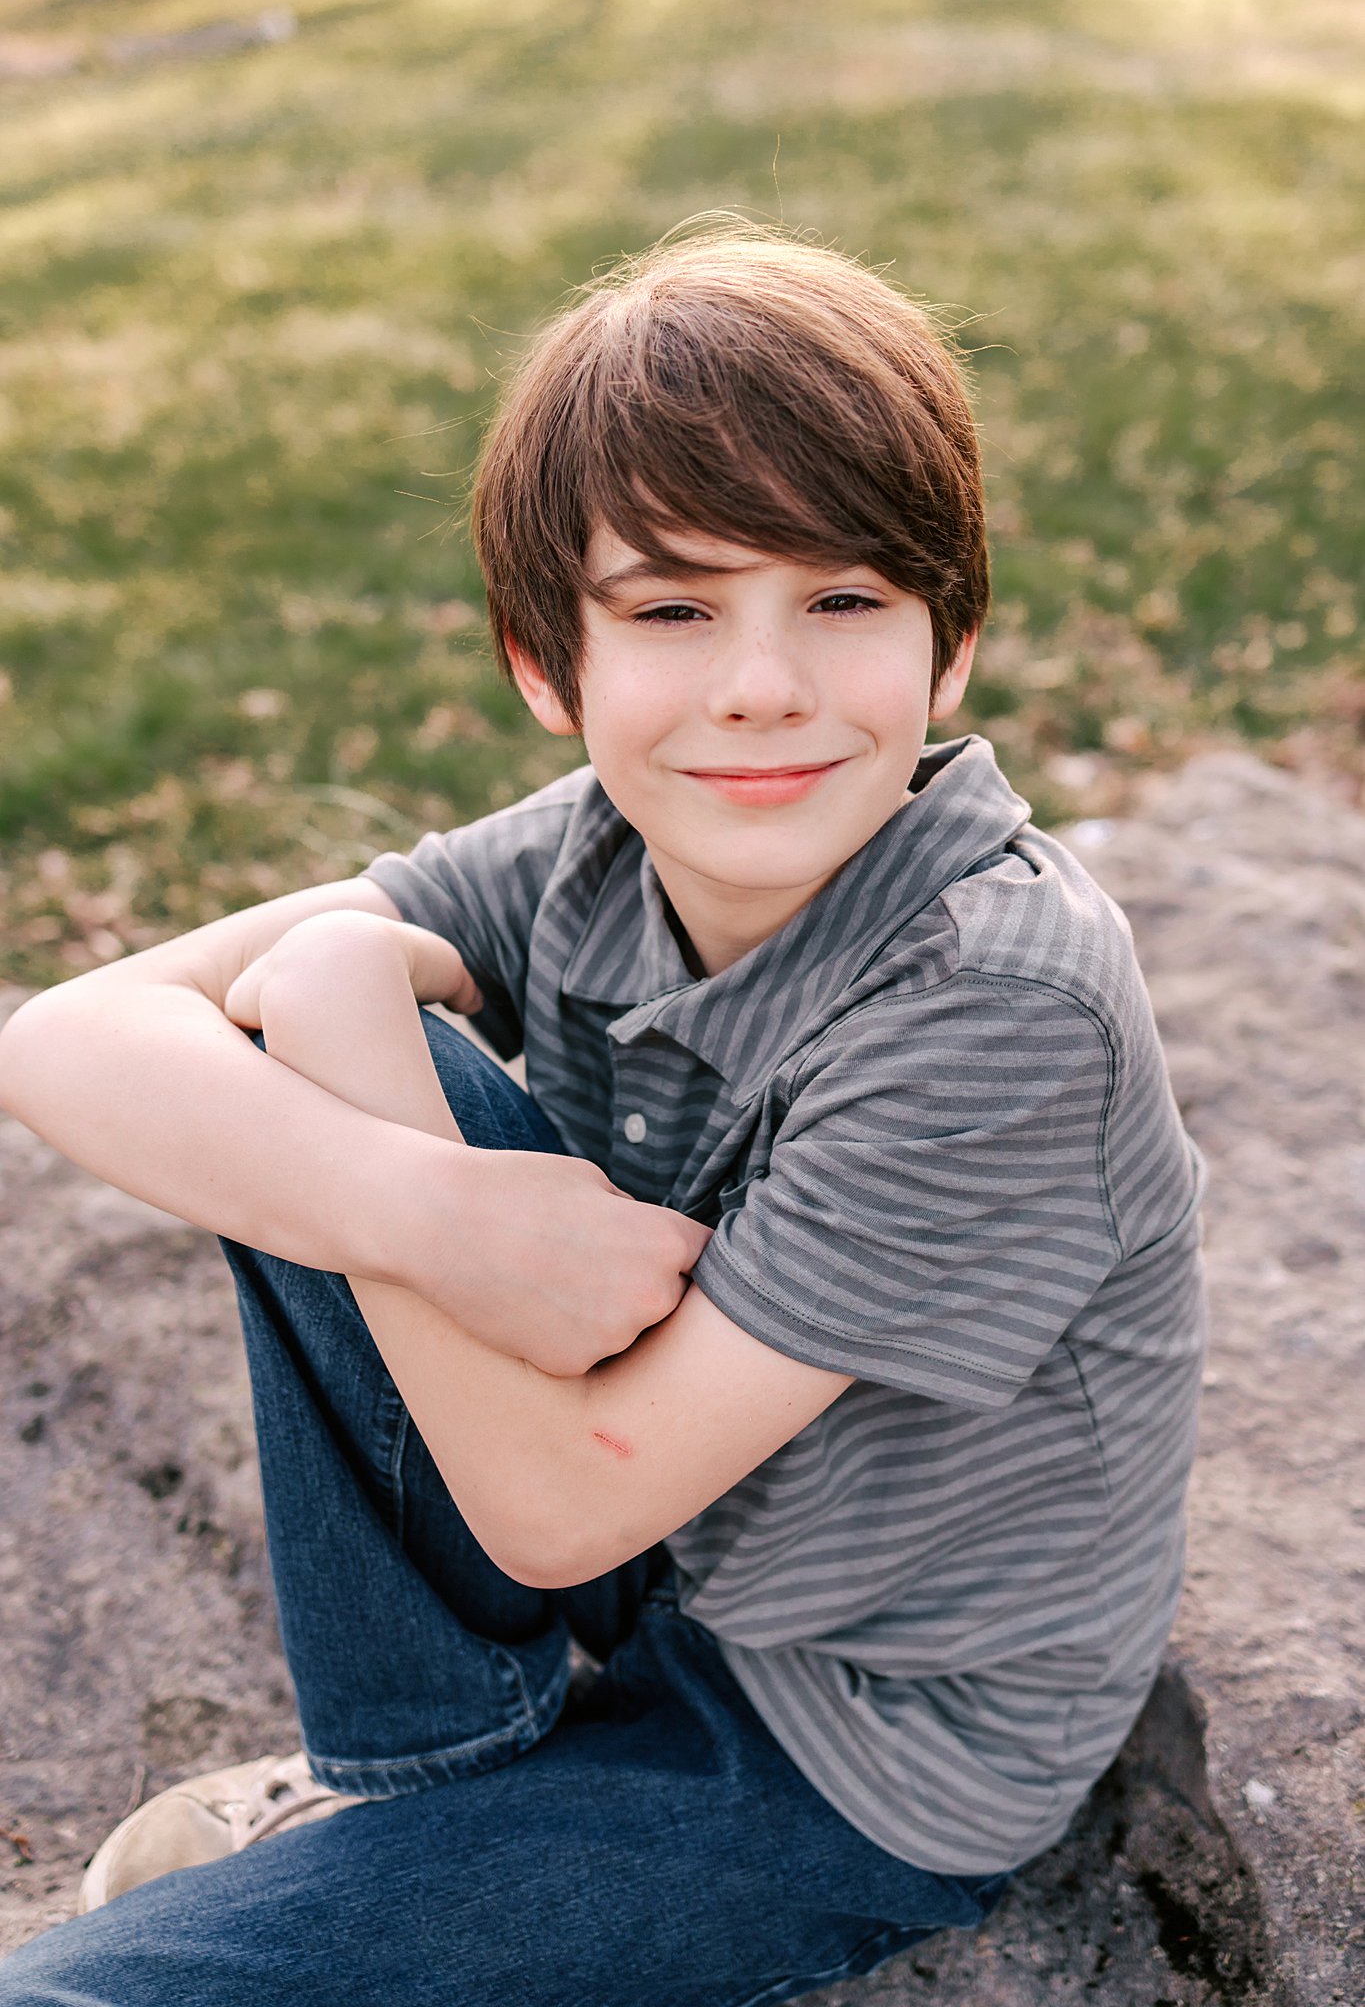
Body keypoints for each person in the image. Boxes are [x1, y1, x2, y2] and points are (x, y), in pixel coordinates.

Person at [0, 225, 1205, 2007]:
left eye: (845, 600)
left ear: (951, 648)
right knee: (305, 1082)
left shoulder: (995, 1008)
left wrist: (344, 1014)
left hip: (853, 1752)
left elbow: (559, 1514)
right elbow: (70, 1039)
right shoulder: (586, 849)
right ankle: (430, 1762)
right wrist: (426, 1207)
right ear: (545, 667)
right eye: (671, 609)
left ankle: (474, 1810)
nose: (759, 685)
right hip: (674, 1563)